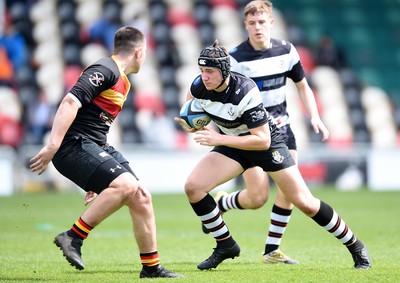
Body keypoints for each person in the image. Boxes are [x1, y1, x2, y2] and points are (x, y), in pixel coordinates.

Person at [175, 39, 371, 270]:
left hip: (266, 145)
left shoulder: (245, 91)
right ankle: (225, 244)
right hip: (233, 143)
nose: (204, 76)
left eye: (209, 71)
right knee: (194, 187)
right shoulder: (199, 85)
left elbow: (262, 139)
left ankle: (356, 247)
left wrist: (218, 139)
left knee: (305, 203)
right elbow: (190, 107)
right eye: (201, 71)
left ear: (224, 70)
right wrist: (192, 126)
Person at [30, 26, 183, 279]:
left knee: (141, 195)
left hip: (94, 145)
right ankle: (72, 237)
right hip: (72, 144)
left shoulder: (123, 80)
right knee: (125, 185)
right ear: (139, 52)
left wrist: (98, 177)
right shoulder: (105, 70)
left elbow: (95, 124)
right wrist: (53, 144)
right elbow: (70, 102)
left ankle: (151, 267)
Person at [200, 0, 330, 265]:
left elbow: (302, 86)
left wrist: (315, 116)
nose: (257, 27)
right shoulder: (235, 58)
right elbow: (222, 95)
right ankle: (223, 203)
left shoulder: (287, 51)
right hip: (251, 134)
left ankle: (272, 250)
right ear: (245, 25)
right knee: (257, 197)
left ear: (271, 22)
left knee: (290, 192)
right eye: (252, 23)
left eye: (262, 22)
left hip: (282, 129)